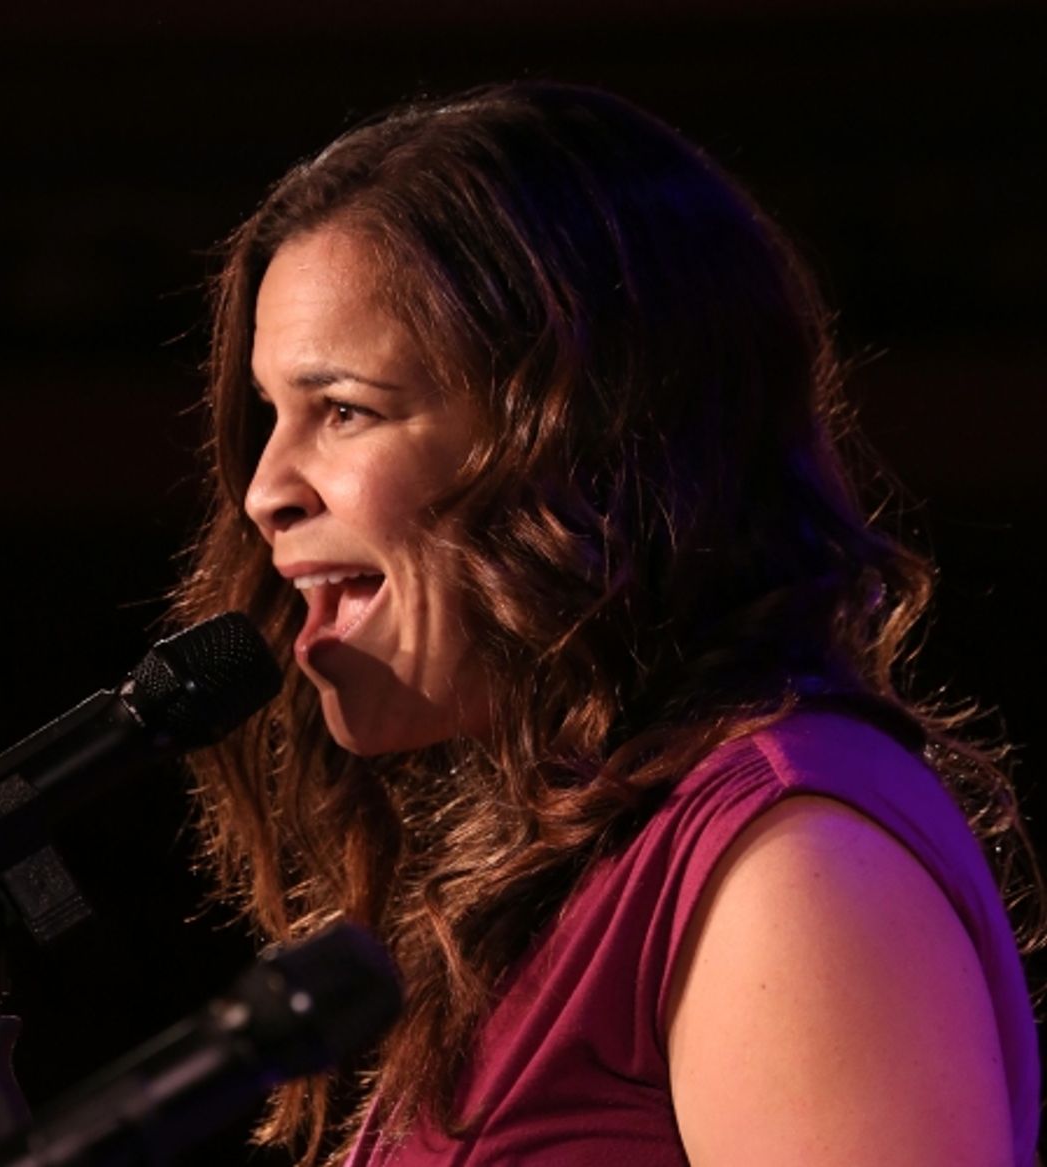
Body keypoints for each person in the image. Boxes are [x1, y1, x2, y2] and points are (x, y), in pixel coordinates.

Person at [172, 81, 1042, 1166]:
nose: (265, 491)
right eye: (271, 418)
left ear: (578, 441)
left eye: (343, 410)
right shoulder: (573, 880)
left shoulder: (787, 861)